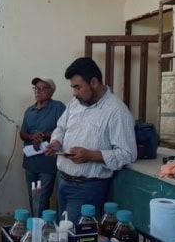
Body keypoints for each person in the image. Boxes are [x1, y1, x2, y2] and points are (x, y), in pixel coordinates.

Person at [45, 58, 136, 224]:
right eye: (73, 87)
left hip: (87, 188)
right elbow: (60, 128)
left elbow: (127, 154)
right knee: (62, 231)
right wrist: (56, 142)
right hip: (63, 181)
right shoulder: (75, 104)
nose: (74, 93)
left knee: (73, 234)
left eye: (78, 87)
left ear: (94, 82)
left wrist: (90, 155)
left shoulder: (116, 111)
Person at [20, 78, 67, 216]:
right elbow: (23, 133)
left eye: (43, 88)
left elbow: (64, 131)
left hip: (47, 161)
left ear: (51, 92)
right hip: (30, 161)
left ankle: (40, 225)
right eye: (36, 88)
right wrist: (32, 137)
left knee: (42, 198)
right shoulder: (30, 110)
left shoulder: (58, 107)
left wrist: (43, 136)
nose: (38, 91)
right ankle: (35, 223)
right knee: (33, 196)